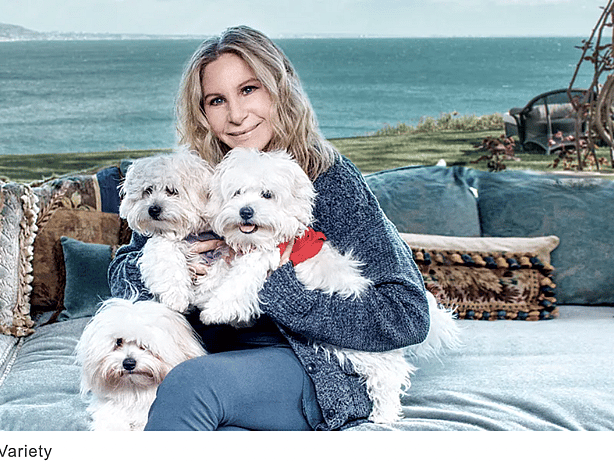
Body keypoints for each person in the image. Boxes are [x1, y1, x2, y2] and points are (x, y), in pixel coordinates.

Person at [108, 25, 430, 431]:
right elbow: (123, 279)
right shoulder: (186, 178)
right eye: (217, 100)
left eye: (249, 89)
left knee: (190, 385)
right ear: (202, 113)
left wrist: (272, 285)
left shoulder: (329, 179)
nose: (237, 115)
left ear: (280, 89)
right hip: (211, 357)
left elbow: (406, 316)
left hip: (309, 362)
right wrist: (181, 265)